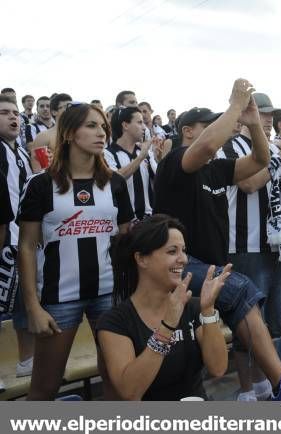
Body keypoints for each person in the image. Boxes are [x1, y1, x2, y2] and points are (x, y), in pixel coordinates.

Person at [153, 78, 281, 401]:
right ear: (188, 131)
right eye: (208, 124)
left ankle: (263, 385)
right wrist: (235, 104)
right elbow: (206, 146)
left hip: (209, 267)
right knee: (240, 288)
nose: (221, 128)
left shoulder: (216, 169)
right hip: (177, 265)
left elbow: (261, 161)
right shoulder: (175, 164)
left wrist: (253, 124)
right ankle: (280, 382)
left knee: (244, 300)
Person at [18, 103, 135, 400]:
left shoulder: (116, 184)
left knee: (116, 379)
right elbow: (27, 247)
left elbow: (125, 241)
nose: (101, 133)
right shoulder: (41, 185)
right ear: (69, 133)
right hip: (59, 299)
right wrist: (32, 306)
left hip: (109, 294)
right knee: (45, 387)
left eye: (103, 127)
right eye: (91, 126)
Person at [216, 91, 281, 400]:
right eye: (263, 113)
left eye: (270, 114)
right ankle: (246, 390)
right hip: (244, 244)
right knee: (246, 321)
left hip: (276, 244)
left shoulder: (272, 147)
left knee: (272, 322)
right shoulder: (228, 146)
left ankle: (263, 382)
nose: (267, 119)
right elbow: (247, 183)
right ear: (242, 114)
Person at [97, 215, 228, 400]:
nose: (182, 259)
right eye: (172, 251)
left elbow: (219, 368)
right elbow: (130, 392)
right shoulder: (115, 322)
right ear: (142, 259)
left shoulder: (193, 307)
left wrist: (207, 310)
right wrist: (167, 327)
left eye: (183, 251)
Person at [0, 95, 35, 377]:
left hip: (21, 240)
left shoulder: (22, 152)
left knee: (26, 300)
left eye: (15, 113)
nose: (13, 117)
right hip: (3, 240)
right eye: (4, 113)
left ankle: (27, 360)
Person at [104, 107, 159, 222]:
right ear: (125, 125)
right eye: (139, 122)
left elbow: (160, 179)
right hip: (124, 225)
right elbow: (115, 180)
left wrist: (160, 158)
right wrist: (140, 157)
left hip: (148, 221)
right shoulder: (107, 154)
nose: (144, 127)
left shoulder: (145, 152)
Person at [28, 93, 72, 173]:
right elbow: (38, 170)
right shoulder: (43, 137)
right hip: (55, 182)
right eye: (66, 107)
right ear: (54, 112)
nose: (70, 110)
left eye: (71, 107)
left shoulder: (79, 134)